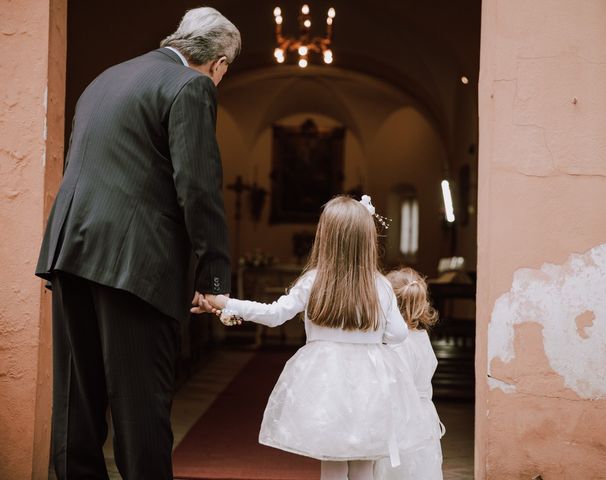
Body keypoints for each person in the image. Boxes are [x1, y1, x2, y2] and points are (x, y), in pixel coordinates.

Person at [35, 7, 240, 479]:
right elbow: (198, 186)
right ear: (219, 63)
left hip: (70, 252)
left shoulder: (106, 79)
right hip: (135, 265)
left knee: (75, 412)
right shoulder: (191, 86)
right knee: (140, 411)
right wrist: (213, 275)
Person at [196, 195, 431, 480]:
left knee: (331, 461)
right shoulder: (380, 285)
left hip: (325, 382)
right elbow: (398, 334)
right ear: (367, 240)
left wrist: (225, 302)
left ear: (326, 237)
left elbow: (274, 314)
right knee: (363, 465)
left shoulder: (313, 281)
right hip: (370, 385)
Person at [373, 267, 445, 480]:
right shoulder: (422, 337)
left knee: (396, 472)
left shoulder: (395, 345)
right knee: (423, 470)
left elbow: (394, 387)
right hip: (424, 417)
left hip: (400, 420)